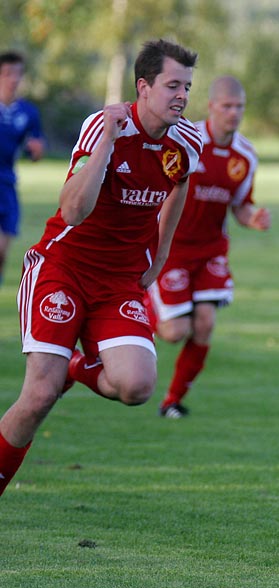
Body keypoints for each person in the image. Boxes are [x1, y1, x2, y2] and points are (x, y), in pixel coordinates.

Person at [0, 39, 202, 497]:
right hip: (62, 267)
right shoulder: (103, 127)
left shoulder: (187, 141)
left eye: (187, 87)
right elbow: (72, 210)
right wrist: (108, 142)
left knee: (136, 386)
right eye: (172, 85)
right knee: (38, 397)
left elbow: (178, 187)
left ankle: (75, 366)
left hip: (120, 282)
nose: (182, 96)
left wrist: (162, 252)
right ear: (143, 87)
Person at [147, 76, 270, 419]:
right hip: (171, 248)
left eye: (239, 107)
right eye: (227, 106)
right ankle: (143, 298)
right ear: (211, 107)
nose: (234, 113)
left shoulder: (245, 156)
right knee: (174, 332)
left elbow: (241, 206)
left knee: (204, 323)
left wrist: (253, 218)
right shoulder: (186, 140)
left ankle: (172, 400)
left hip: (212, 250)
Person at [0, 51, 45, 286]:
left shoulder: (28, 112)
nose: (13, 79)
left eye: (17, 73)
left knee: (2, 252)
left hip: (7, 184)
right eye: (8, 73)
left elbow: (35, 150)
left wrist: (36, 151)